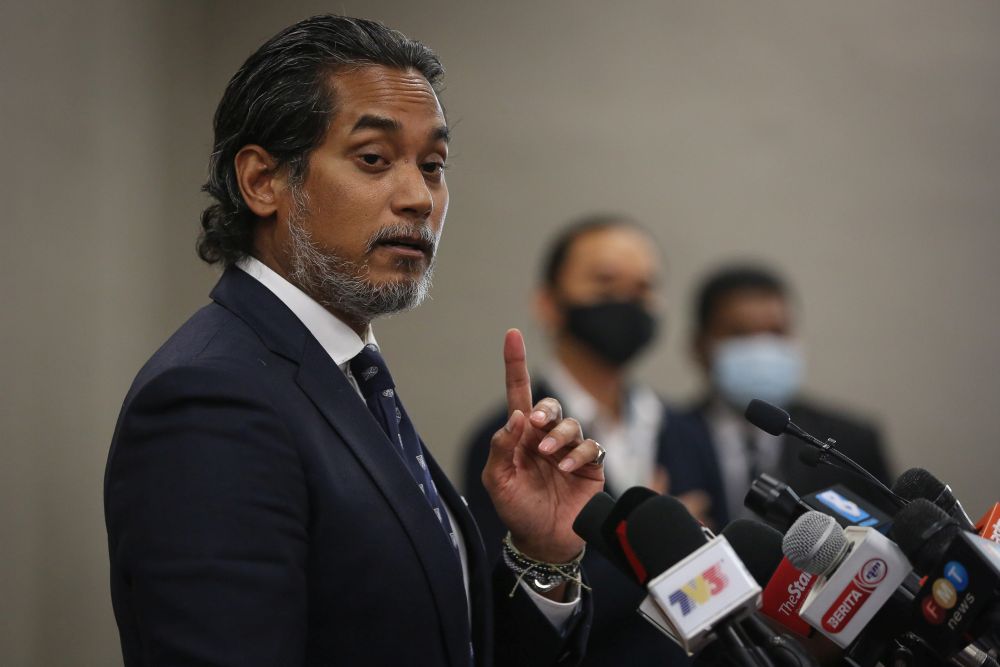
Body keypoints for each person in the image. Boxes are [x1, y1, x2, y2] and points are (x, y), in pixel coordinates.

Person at [103, 15, 604, 667]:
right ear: (262, 181)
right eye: (374, 159)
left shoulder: (345, 376)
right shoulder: (211, 397)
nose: (419, 197)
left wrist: (541, 555)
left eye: (433, 165)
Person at [462, 215, 705, 667]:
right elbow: (505, 611)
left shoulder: (688, 431)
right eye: (605, 284)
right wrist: (650, 549)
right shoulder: (509, 443)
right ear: (549, 303)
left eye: (643, 289)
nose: (626, 304)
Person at [663, 264, 893, 528]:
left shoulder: (850, 444)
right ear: (699, 347)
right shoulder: (666, 437)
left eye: (776, 332)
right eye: (740, 334)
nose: (762, 347)